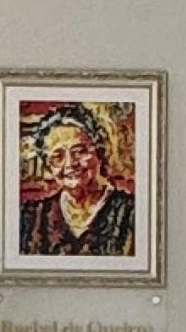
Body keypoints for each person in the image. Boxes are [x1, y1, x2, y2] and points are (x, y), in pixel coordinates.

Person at [19, 102, 137, 258]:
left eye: (79, 152)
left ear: (99, 152)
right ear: (48, 166)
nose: (70, 164)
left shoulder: (132, 213)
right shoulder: (31, 217)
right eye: (58, 157)